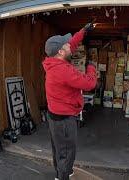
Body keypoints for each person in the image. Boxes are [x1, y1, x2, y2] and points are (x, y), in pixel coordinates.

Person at [42, 23, 97, 180]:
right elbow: (90, 83)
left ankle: (62, 171)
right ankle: (62, 176)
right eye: (66, 45)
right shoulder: (63, 70)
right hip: (64, 120)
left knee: (59, 149)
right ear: (60, 51)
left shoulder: (53, 61)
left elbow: (72, 43)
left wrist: (83, 31)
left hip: (54, 115)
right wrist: (91, 68)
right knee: (66, 151)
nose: (70, 46)